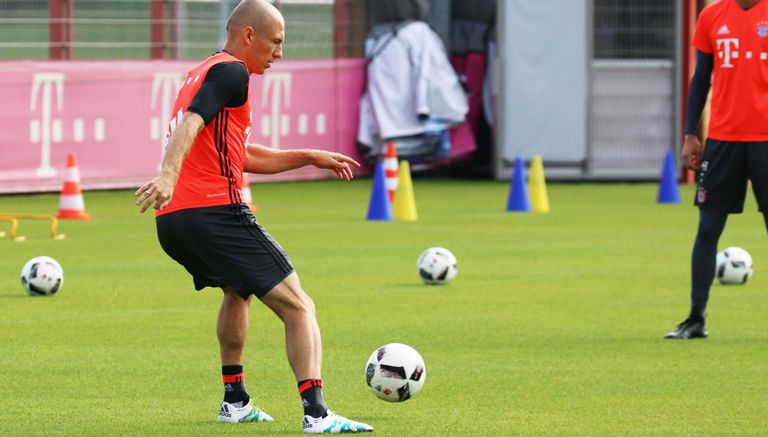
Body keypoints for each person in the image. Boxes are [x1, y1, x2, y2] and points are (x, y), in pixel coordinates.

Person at [134, 0, 373, 433]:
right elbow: (191, 122)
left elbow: (236, 153)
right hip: (213, 211)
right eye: (276, 41)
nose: (279, 52)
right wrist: (166, 175)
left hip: (174, 221)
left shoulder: (201, 72)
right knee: (299, 306)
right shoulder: (233, 72)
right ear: (249, 35)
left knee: (236, 289)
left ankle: (235, 401)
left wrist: (308, 157)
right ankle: (317, 415)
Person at [665, 0, 768, 339]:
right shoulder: (711, 15)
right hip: (723, 140)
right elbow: (701, 78)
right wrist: (690, 133)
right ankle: (696, 318)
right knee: (708, 228)